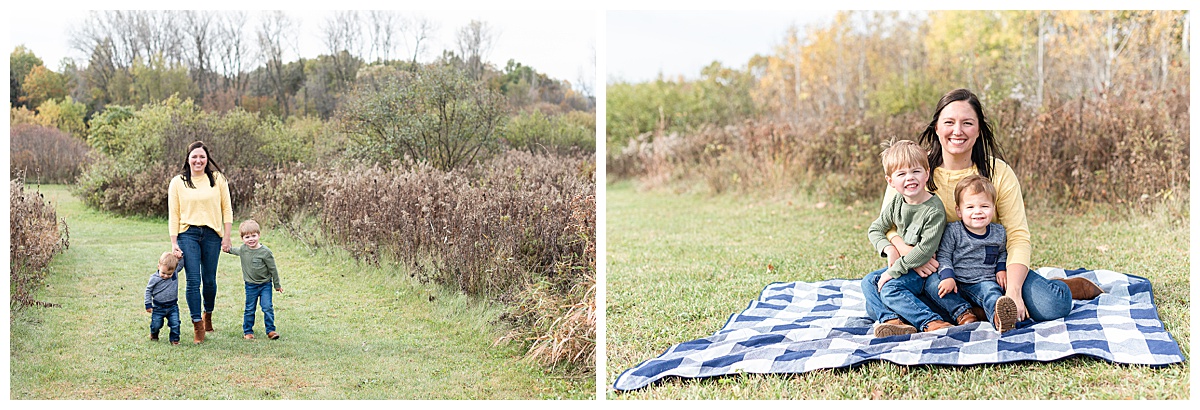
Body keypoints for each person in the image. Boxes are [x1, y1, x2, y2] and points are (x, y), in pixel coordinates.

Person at [861, 88, 1101, 334]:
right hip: (934, 271)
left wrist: (1014, 291)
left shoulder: (998, 172)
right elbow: (888, 225)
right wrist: (909, 253)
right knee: (875, 291)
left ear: (978, 129)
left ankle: (1065, 287)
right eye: (949, 122)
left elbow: (1017, 235)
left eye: (967, 123)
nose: (957, 131)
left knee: (1052, 305)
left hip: (986, 271)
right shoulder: (913, 170)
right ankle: (967, 311)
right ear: (936, 128)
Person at [866, 140, 966, 337]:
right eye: (901, 174)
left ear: (926, 174)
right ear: (890, 181)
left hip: (927, 271)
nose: (909, 178)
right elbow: (875, 229)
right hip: (908, 267)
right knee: (868, 282)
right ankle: (892, 321)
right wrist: (889, 249)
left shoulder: (933, 210)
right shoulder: (897, 201)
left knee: (889, 289)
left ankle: (931, 321)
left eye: (915, 171)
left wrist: (893, 271)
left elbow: (924, 252)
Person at [926, 175, 1020, 333]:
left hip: (984, 281)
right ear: (959, 211)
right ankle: (963, 313)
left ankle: (1000, 318)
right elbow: (944, 255)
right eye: (970, 207)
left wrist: (1001, 269)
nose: (978, 212)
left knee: (991, 293)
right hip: (956, 283)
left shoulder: (998, 232)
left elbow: (1002, 252)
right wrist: (948, 276)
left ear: (993, 208)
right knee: (933, 287)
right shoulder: (954, 231)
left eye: (984, 206)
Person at [169, 141, 233, 344]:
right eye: (194, 157)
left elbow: (227, 209)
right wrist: (174, 242)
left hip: (212, 234)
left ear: (207, 159)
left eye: (202, 157)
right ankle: (197, 325)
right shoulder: (178, 182)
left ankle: (208, 314)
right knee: (193, 280)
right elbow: (174, 214)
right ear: (188, 159)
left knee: (210, 280)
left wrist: (227, 236)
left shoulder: (217, 179)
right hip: (187, 234)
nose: (198, 160)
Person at [226, 219, 283, 340]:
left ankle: (271, 330)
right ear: (242, 239)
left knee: (267, 307)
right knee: (249, 308)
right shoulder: (243, 250)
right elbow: (233, 250)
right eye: (247, 237)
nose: (251, 239)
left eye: (253, 236)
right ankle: (248, 331)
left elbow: (273, 269)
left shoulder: (265, 252)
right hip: (250, 286)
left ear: (259, 235)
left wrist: (277, 285)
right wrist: (226, 248)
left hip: (265, 285)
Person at [145, 251, 183, 345]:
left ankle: (174, 340)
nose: (166, 276)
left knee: (175, 324)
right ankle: (154, 334)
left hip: (173, 306)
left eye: (169, 274)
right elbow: (148, 291)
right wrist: (148, 304)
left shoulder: (174, 273)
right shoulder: (154, 278)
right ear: (158, 267)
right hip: (158, 307)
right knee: (156, 324)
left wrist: (180, 256)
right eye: (163, 273)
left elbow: (181, 264)